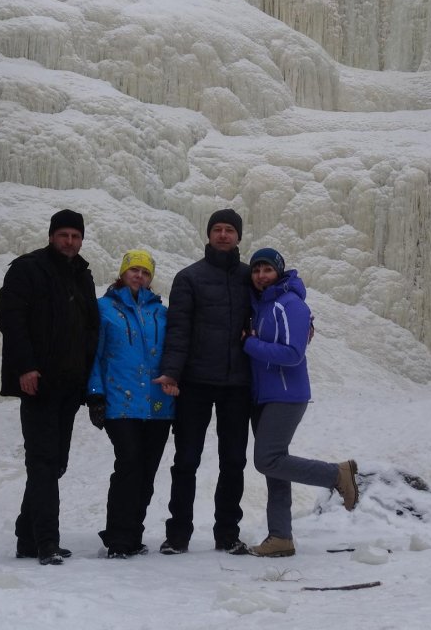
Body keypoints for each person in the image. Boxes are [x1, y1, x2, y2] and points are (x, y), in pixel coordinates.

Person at [0, 209, 99, 566]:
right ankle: (46, 542)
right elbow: (12, 320)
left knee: (54, 464)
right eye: (64, 235)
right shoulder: (28, 268)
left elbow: (90, 327)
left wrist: (89, 379)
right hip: (38, 383)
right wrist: (25, 367)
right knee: (42, 462)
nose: (69, 242)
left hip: (70, 386)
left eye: (75, 236)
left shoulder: (82, 274)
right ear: (52, 235)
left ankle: (27, 537)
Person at [243, 246, 359, 557]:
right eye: (256, 270)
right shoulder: (264, 305)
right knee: (276, 467)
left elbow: (293, 355)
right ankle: (280, 537)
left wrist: (249, 344)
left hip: (286, 395)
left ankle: (336, 474)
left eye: (267, 269)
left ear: (279, 271)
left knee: (266, 460)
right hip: (264, 396)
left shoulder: (289, 304)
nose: (261, 275)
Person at [153, 209, 252, 555]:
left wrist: (306, 322)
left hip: (238, 384)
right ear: (208, 235)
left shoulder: (249, 277)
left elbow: (277, 303)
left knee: (234, 461)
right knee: (186, 461)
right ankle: (178, 534)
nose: (223, 235)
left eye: (229, 230)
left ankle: (227, 533)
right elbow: (178, 331)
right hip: (195, 382)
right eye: (217, 230)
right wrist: (172, 372)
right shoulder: (189, 278)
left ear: (239, 236)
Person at [86, 249, 174, 559]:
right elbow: (93, 355)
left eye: (145, 272)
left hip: (158, 405)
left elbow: (175, 354)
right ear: (122, 273)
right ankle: (118, 538)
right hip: (119, 402)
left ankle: (133, 534)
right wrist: (94, 394)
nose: (139, 275)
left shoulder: (161, 314)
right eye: (133, 269)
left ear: (151, 279)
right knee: (129, 464)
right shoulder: (103, 309)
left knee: (147, 470)